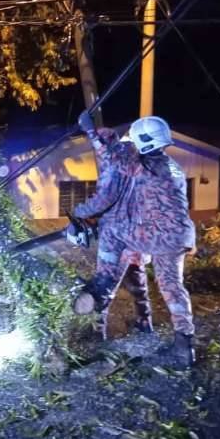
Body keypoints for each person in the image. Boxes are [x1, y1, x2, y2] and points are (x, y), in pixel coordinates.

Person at [69, 111, 198, 366]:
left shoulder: (147, 166)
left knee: (112, 229)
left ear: (145, 142)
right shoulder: (171, 165)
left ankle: (102, 282)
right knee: (172, 288)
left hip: (159, 234)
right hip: (179, 236)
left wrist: (91, 132)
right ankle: (184, 347)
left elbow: (114, 159)